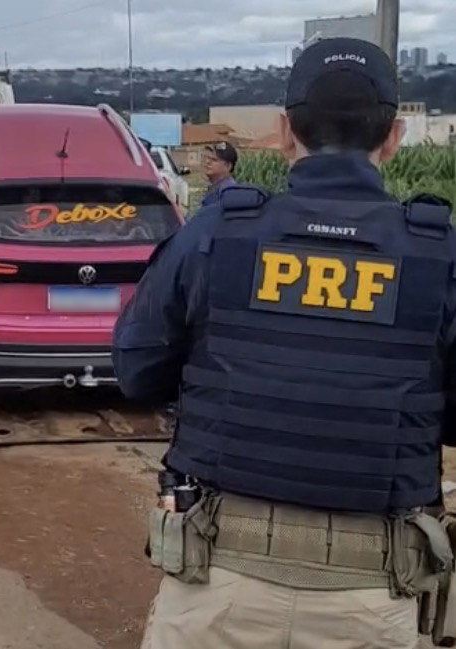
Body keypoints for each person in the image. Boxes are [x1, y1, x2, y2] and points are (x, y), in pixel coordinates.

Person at [113, 37, 456, 649]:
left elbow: (138, 370)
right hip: (372, 595)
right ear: (394, 136)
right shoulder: (439, 252)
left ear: (285, 132)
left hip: (216, 582)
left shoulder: (218, 230)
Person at [199, 140, 238, 208]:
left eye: (214, 160)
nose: (208, 162)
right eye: (208, 158)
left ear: (228, 166)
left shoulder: (228, 191)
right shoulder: (216, 188)